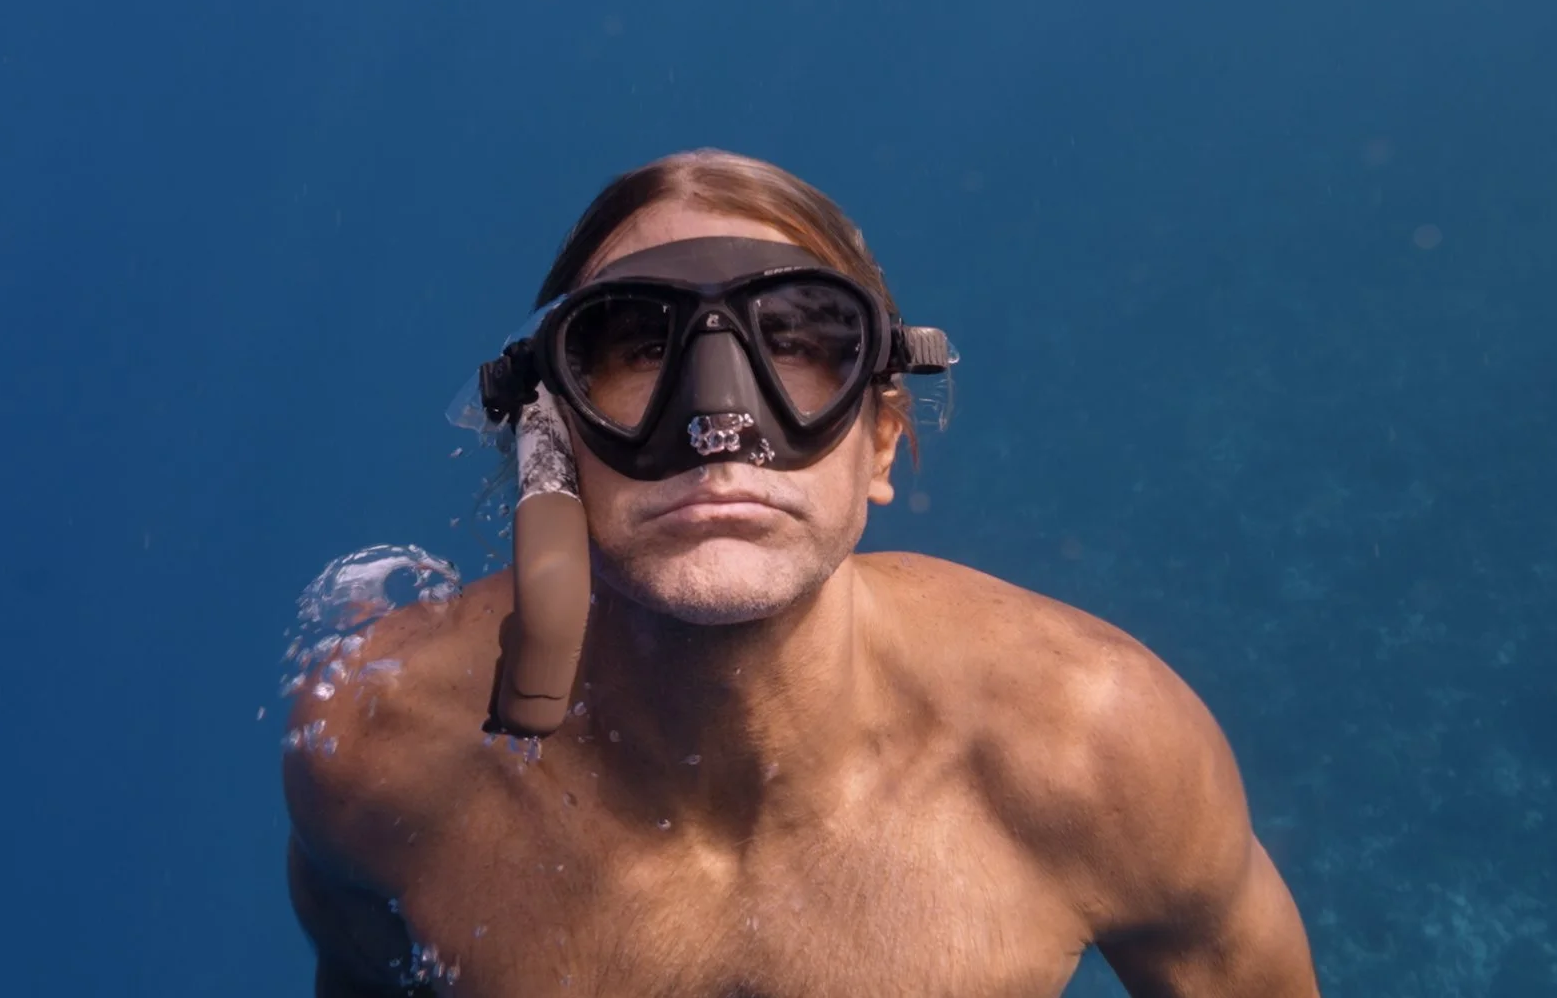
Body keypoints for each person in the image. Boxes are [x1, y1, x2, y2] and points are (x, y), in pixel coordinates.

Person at [283, 149, 1322, 997]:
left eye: (795, 343)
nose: (716, 426)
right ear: (545, 449)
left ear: (879, 441)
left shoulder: (1096, 751)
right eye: (636, 350)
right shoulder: (381, 748)